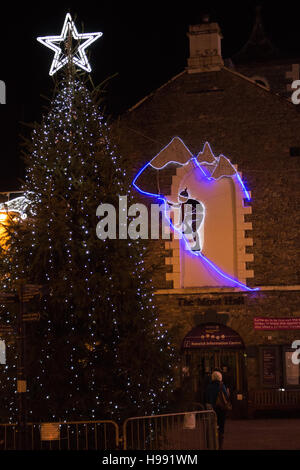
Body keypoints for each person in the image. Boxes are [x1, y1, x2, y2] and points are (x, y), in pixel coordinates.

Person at [205, 370, 230, 450]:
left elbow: (206, 398)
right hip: (221, 409)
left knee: (212, 426)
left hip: (212, 409)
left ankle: (211, 444)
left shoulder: (209, 387)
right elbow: (226, 397)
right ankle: (219, 445)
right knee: (221, 426)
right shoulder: (221, 385)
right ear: (220, 377)